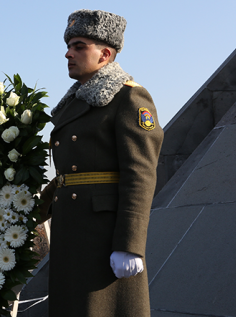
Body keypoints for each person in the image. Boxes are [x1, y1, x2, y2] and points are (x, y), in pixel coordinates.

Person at [39, 9, 164, 316]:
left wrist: (129, 243)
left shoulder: (129, 98)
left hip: (103, 235)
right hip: (72, 228)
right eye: (69, 46)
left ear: (105, 54)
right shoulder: (75, 102)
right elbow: (68, 176)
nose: (68, 53)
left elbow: (140, 173)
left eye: (79, 46)